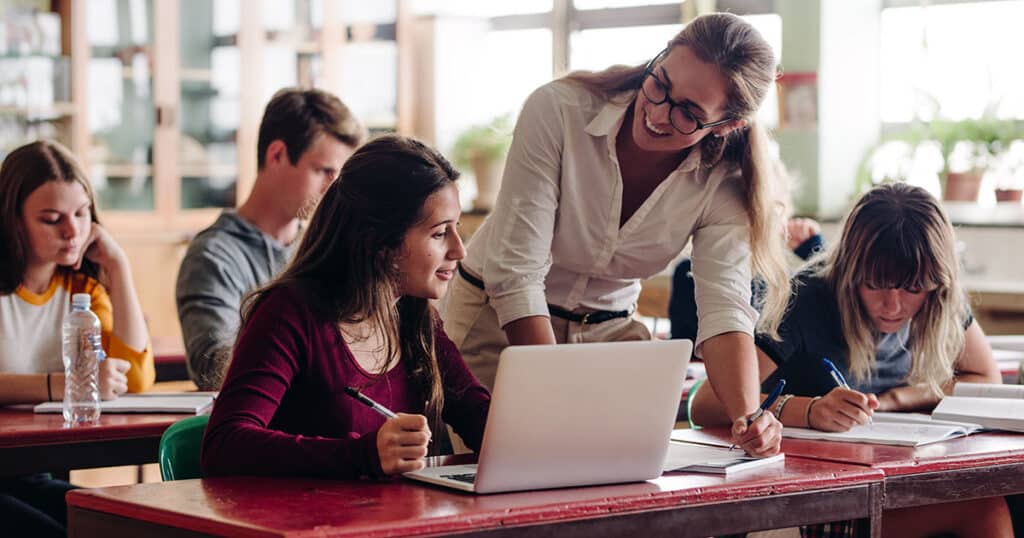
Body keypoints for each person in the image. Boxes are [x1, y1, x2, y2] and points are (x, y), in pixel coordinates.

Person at [440, 12, 788, 456]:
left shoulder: (727, 180)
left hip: (606, 336)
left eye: (688, 113)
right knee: (499, 474)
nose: (659, 113)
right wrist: (549, 391)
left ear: (726, 125)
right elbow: (516, 274)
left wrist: (749, 418)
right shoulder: (559, 109)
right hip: (498, 323)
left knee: (616, 486)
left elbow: (725, 309)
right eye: (660, 84)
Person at [689, 182, 1012, 537]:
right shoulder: (806, 300)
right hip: (799, 498)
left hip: (880, 479)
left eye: (913, 288)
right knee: (983, 512)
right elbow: (702, 404)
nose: (893, 305)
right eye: (875, 285)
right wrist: (807, 411)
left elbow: (985, 378)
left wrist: (897, 398)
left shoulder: (938, 297)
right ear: (849, 272)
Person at [202, 135, 490, 478]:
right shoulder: (288, 313)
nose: (460, 250)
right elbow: (224, 446)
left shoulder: (415, 318)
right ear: (380, 241)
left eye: (456, 229)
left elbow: (479, 417)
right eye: (440, 233)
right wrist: (362, 455)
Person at [0, 140, 154, 536]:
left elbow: (133, 379)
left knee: (117, 526)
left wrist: (119, 267)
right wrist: (62, 385)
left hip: (28, 470)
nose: (73, 231)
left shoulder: (81, 291)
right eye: (52, 219)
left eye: (82, 214)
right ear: (13, 221)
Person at [176, 87, 367, 390]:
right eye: (323, 171)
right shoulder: (213, 257)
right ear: (276, 154)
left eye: (339, 176)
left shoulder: (327, 249)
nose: (334, 190)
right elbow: (212, 367)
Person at [669, 216, 824, 341]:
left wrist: (813, 248)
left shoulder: (779, 279)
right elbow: (684, 345)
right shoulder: (688, 272)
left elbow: (828, 305)